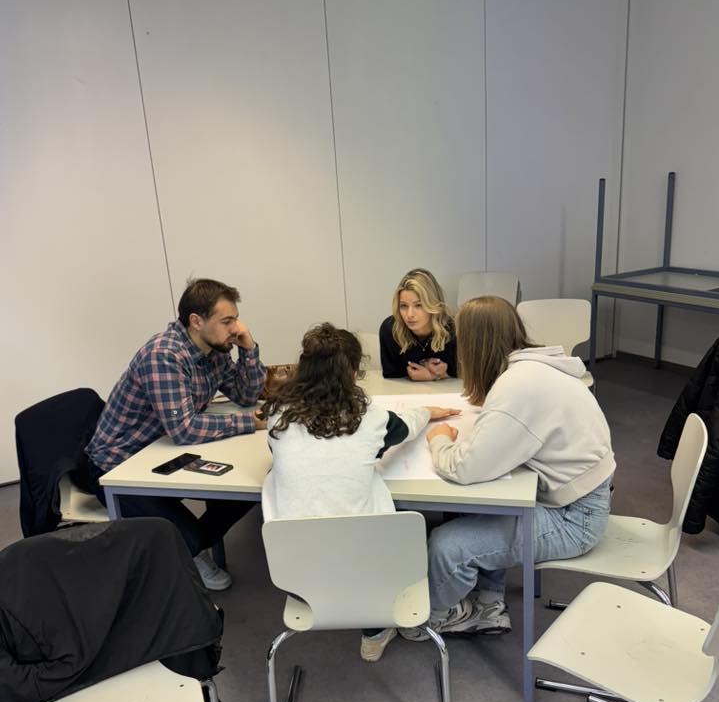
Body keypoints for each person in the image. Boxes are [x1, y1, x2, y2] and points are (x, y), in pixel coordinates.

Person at [401, 295, 615, 641]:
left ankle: (430, 621)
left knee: (445, 545)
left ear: (475, 344)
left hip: (575, 518)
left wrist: (439, 440)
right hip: (579, 497)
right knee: (480, 507)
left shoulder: (517, 387)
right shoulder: (533, 367)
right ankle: (489, 602)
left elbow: (463, 468)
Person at [261, 322, 459, 662]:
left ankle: (354, 615)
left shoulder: (278, 417)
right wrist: (427, 412)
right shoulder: (371, 419)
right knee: (375, 520)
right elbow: (405, 428)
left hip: (298, 570)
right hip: (367, 565)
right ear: (353, 374)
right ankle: (375, 630)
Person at [85, 278, 266, 591]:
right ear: (196, 321)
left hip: (163, 452)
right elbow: (185, 430)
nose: (236, 328)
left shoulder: (214, 349)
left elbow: (247, 395)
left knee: (251, 489)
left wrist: (249, 349)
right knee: (191, 538)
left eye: (235, 319)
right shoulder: (164, 355)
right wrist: (249, 422)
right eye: (227, 321)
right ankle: (189, 550)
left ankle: (184, 546)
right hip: (118, 467)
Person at [379, 269, 457, 380]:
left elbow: (466, 374)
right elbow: (391, 376)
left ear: (433, 304)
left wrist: (439, 375)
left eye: (418, 305)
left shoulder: (453, 329)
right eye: (404, 306)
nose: (409, 315)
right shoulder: (390, 329)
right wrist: (423, 370)